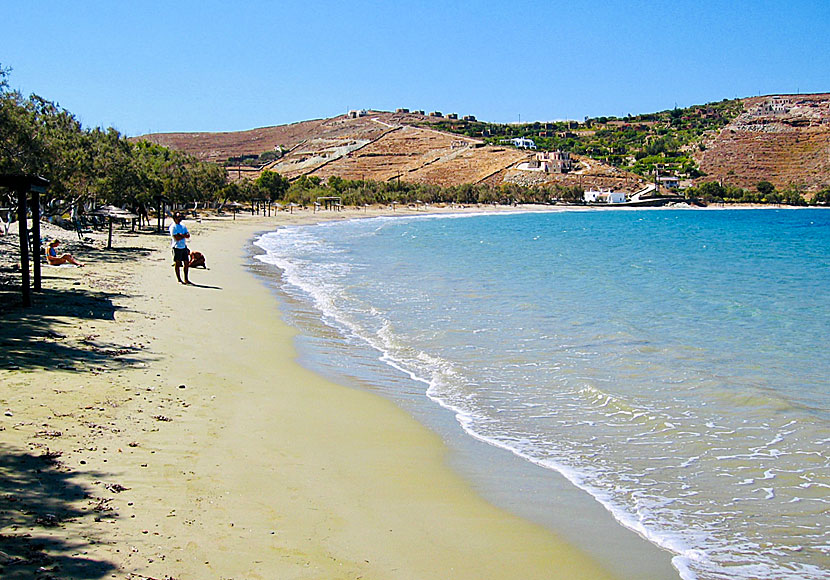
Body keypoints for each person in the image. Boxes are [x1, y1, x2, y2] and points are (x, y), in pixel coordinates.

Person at [169, 212, 191, 284]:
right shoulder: (173, 227)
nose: (179, 219)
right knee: (177, 263)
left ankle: (186, 279)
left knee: (186, 263)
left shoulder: (183, 226)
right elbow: (176, 237)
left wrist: (182, 235)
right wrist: (182, 235)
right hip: (176, 247)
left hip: (183, 246)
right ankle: (179, 279)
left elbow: (188, 235)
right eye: (178, 217)